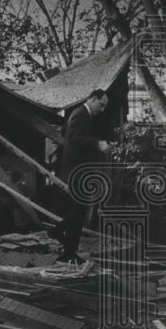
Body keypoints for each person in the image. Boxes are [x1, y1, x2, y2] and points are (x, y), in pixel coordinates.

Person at [54, 89, 112, 261]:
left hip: (76, 169)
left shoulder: (78, 114)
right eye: (101, 105)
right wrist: (97, 144)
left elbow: (65, 131)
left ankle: (56, 232)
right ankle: (69, 254)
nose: (101, 110)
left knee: (77, 209)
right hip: (76, 171)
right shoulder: (81, 115)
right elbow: (75, 137)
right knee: (78, 214)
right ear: (93, 99)